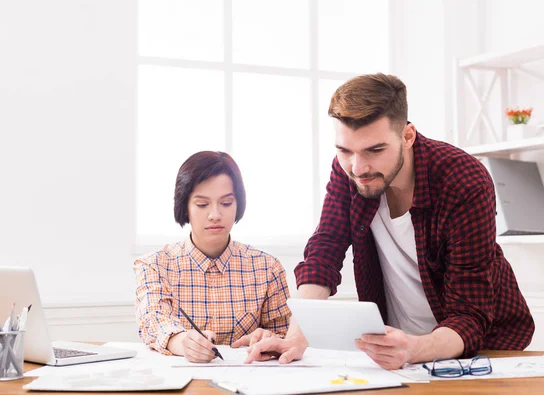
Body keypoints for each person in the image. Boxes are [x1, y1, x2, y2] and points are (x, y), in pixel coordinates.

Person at [245, 73, 534, 369]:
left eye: (375, 150)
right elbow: (324, 252)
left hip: (482, 349)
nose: (358, 168)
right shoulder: (349, 171)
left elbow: (470, 315)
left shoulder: (463, 180)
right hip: (397, 352)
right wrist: (296, 337)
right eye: (345, 151)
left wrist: (414, 348)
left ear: (407, 136)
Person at [134, 151, 291, 362]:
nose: (215, 214)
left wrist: (270, 339)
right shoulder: (154, 265)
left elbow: (285, 336)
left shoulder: (267, 267)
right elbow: (153, 321)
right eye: (202, 204)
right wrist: (181, 342)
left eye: (226, 203)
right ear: (185, 207)